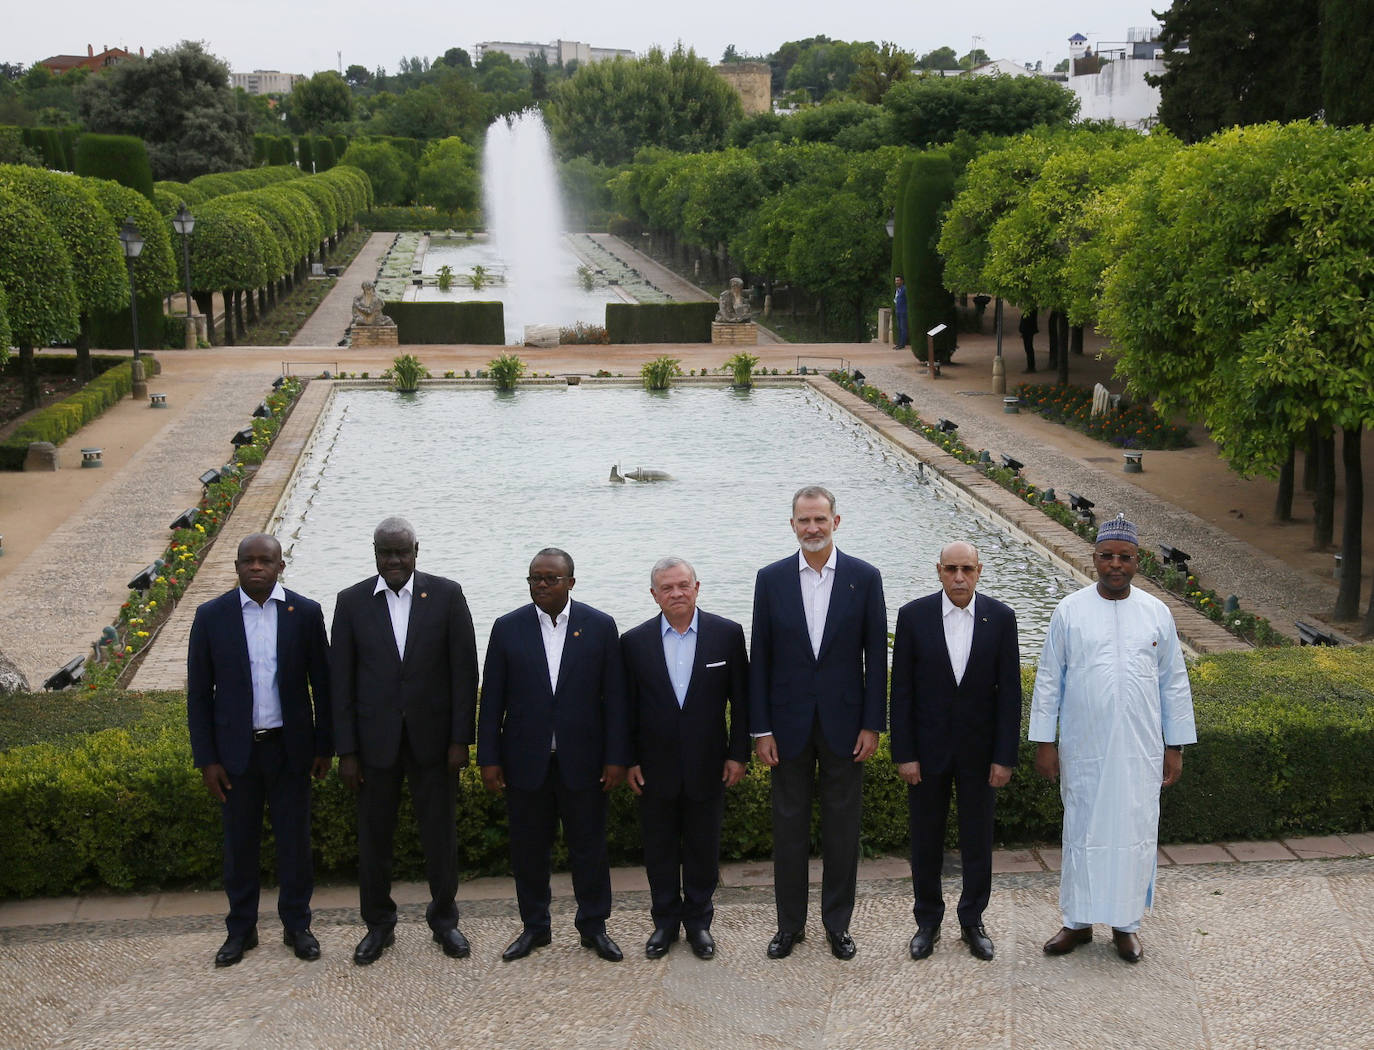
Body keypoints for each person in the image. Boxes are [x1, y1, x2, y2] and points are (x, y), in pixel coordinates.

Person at [1029, 515, 1196, 963]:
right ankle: (1077, 923)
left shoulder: (1156, 613)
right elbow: (1049, 680)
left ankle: (1126, 925)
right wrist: (1045, 742)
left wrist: (1174, 746)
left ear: (1137, 561)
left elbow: (1174, 684)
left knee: (1135, 833)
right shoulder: (1070, 610)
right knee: (1081, 831)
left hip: (1140, 750)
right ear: (1095, 559)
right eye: (1107, 556)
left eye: (1124, 557)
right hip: (1083, 747)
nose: (1115, 565)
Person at [330, 516, 479, 965]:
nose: (394, 560)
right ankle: (378, 925)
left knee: (440, 837)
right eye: (385, 552)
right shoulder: (351, 602)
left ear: (417, 550)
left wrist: (460, 740)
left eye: (402, 552)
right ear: (374, 552)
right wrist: (347, 751)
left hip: (434, 744)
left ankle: (445, 921)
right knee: (374, 840)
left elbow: (464, 673)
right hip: (374, 748)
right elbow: (341, 683)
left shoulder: (448, 596)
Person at [750, 485, 887, 960]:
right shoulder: (770, 580)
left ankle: (837, 925)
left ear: (836, 522)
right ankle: (789, 926)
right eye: (804, 520)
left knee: (842, 830)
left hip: (846, 726)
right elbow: (760, 656)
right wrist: (760, 728)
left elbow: (876, 656)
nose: (812, 528)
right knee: (788, 831)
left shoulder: (864, 578)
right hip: (786, 727)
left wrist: (873, 724)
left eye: (820, 520)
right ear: (792, 524)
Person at [187, 533, 333, 967]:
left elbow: (322, 686)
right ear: (235, 567)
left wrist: (324, 745)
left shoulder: (304, 613)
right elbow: (199, 694)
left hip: (289, 750)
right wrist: (207, 759)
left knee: (294, 844)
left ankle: (297, 926)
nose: (256, 568)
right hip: (235, 754)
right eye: (248, 561)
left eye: (265, 561)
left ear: (280, 566)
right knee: (239, 846)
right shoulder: (211, 616)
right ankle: (241, 930)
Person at [478, 548, 630, 963]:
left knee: (589, 847)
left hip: (583, 760)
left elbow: (615, 699)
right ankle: (535, 927)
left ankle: (594, 927)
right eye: (534, 578)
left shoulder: (599, 626)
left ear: (571, 583)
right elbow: (492, 700)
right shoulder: (507, 628)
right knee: (528, 849)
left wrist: (617, 757)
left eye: (550, 578)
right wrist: (488, 759)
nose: (541, 585)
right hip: (525, 762)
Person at [889, 541, 1021, 962]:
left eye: (967, 569)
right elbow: (902, 692)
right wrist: (904, 753)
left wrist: (1004, 756)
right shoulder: (913, 616)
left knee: (978, 840)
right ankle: (927, 921)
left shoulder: (1001, 618)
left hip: (980, 755)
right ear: (939, 570)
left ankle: (972, 920)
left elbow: (1010, 695)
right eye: (951, 569)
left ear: (979, 570)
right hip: (926, 754)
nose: (959, 577)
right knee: (925, 841)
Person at [621, 556, 749, 961]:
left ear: (697, 587)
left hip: (708, 763)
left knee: (702, 849)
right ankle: (664, 923)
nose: (676, 593)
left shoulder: (727, 635)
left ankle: (698, 924)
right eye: (667, 587)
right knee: (658, 849)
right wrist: (628, 760)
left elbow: (742, 703)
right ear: (654, 594)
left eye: (683, 585)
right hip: (653, 766)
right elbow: (624, 710)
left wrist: (738, 755)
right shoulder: (633, 642)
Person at [1018, 307, 1038, 373]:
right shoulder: (1028, 309)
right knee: (1028, 348)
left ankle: (1031, 367)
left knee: (1029, 348)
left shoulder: (1030, 310)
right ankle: (1030, 366)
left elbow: (1027, 320)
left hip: (1028, 330)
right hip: (1027, 330)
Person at [893, 275, 909, 350]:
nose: (897, 282)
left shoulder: (904, 289)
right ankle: (899, 343)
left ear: (902, 281)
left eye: (898, 280)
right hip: (898, 311)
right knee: (899, 328)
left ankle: (902, 344)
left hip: (903, 311)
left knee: (903, 328)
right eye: (896, 280)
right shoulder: (897, 290)